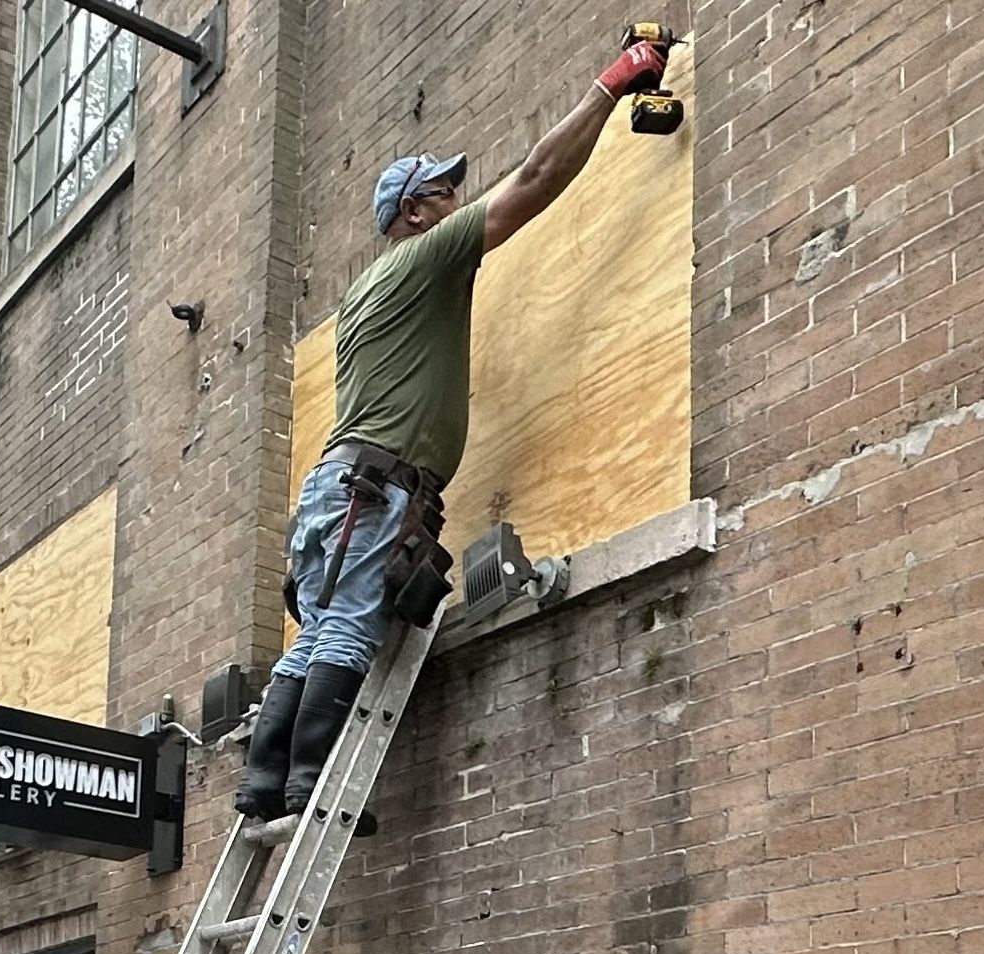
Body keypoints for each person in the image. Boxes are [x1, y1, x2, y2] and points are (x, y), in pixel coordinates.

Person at [237, 33, 675, 819]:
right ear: (414, 213)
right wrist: (613, 84)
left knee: (316, 632)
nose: (456, 204)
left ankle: (265, 782)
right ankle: (306, 786)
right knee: (347, 629)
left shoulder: (366, 292)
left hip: (340, 488)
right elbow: (533, 180)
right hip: (371, 489)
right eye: (444, 193)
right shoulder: (421, 257)